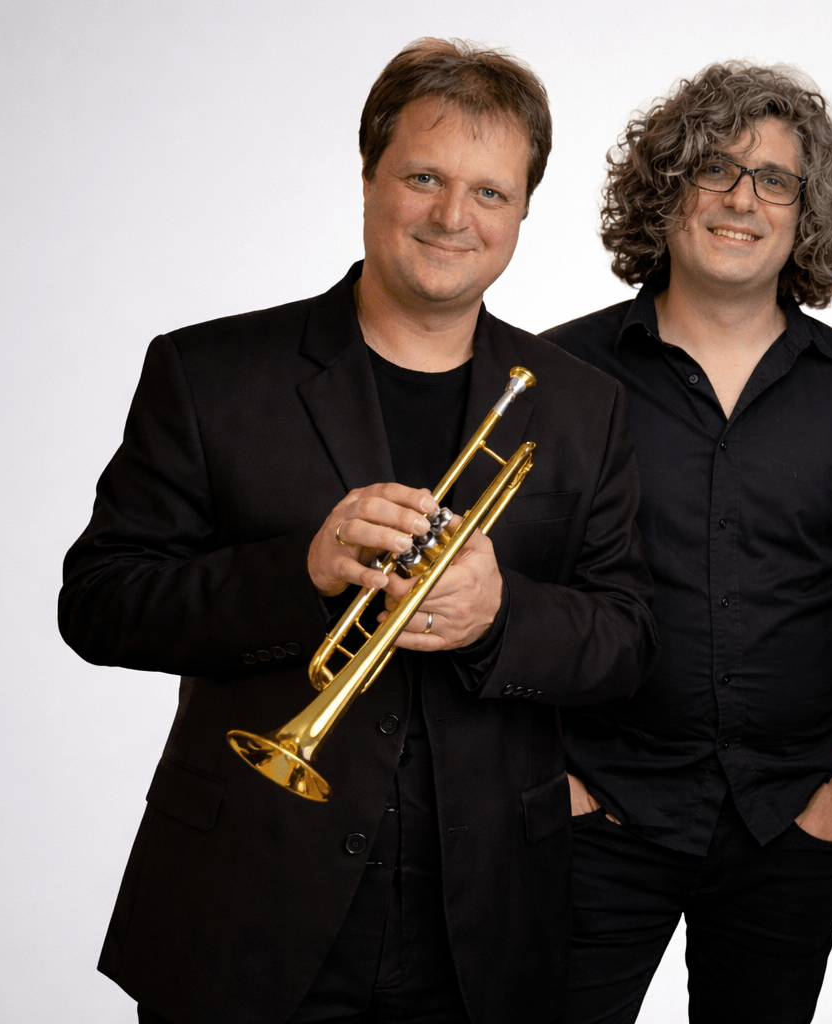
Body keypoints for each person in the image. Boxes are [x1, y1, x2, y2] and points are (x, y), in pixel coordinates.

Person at [59, 39, 656, 1024]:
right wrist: (301, 572)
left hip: (481, 924)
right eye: (424, 177)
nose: (453, 216)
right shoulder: (210, 373)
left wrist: (500, 618)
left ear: (522, 212)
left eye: (490, 192)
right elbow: (99, 602)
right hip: (246, 896)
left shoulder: (581, 405)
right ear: (371, 175)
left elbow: (627, 638)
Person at [541, 62, 832, 1024]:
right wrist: (553, 782)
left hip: (792, 825)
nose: (743, 199)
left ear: (805, 212)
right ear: (666, 189)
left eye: (775, 180)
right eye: (714, 167)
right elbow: (506, 592)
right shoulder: (557, 374)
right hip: (591, 814)